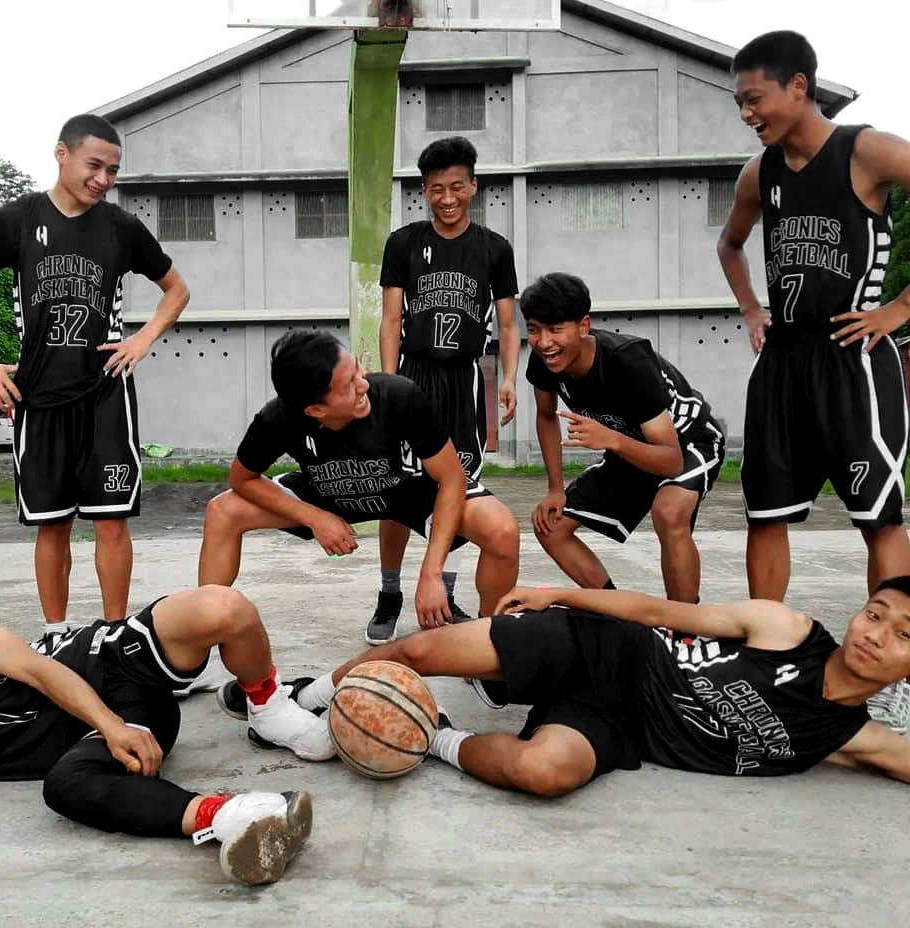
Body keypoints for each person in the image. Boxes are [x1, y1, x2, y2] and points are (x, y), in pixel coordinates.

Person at [0, 580, 330, 885]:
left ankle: (266, 707)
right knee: (65, 785)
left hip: (106, 666)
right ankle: (237, 818)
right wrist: (113, 730)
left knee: (223, 608)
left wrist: (109, 724)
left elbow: (35, 669)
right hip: (114, 736)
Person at [262, 578, 910, 797]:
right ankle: (308, 696)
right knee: (421, 648)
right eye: (876, 612)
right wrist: (561, 596)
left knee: (544, 773)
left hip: (620, 728)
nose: (876, 633)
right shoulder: (787, 628)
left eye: (903, 635)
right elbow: (660, 612)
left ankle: (432, 739)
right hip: (608, 648)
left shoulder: (855, 737)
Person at [716, 29, 910, 730]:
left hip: (853, 359)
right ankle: (768, 660)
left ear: (798, 86)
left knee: (879, 520)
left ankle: (897, 674)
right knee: (766, 518)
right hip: (785, 363)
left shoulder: (867, 150)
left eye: (755, 98)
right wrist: (750, 307)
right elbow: (730, 244)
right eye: (739, 102)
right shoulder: (757, 173)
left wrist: (899, 308)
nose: (747, 113)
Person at [0, 114, 190, 636]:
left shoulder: (121, 228)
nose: (103, 179)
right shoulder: (17, 219)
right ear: (62, 154)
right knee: (51, 525)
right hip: (37, 395)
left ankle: (115, 635)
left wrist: (142, 339)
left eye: (113, 170)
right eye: (94, 165)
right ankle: (56, 636)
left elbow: (177, 289)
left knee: (111, 520)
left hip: (105, 393)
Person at [198, 329, 520, 637]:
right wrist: (313, 517)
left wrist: (431, 573)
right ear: (315, 410)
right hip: (330, 494)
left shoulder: (399, 395)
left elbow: (452, 478)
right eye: (348, 385)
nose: (363, 384)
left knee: (501, 529)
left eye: (357, 371)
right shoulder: (277, 420)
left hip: (403, 490)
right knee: (222, 511)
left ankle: (490, 642)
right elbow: (241, 479)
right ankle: (203, 634)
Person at [372, 136, 520, 643]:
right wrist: (389, 384)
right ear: (424, 191)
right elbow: (390, 320)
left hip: (464, 381)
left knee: (456, 486)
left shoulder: (495, 249)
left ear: (473, 186)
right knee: (399, 489)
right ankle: (390, 592)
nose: (448, 197)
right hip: (414, 375)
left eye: (458, 186)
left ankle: (446, 590)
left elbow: (506, 325)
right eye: (437, 189)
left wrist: (508, 380)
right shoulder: (404, 242)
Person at [521, 272, 725, 603]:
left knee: (669, 512)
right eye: (533, 330)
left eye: (555, 329)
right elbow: (546, 416)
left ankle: (685, 628)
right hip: (630, 447)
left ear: (583, 326)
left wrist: (611, 440)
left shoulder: (628, 360)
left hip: (689, 441)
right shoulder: (545, 361)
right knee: (551, 526)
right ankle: (616, 609)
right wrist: (555, 489)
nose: (544, 342)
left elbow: (671, 460)